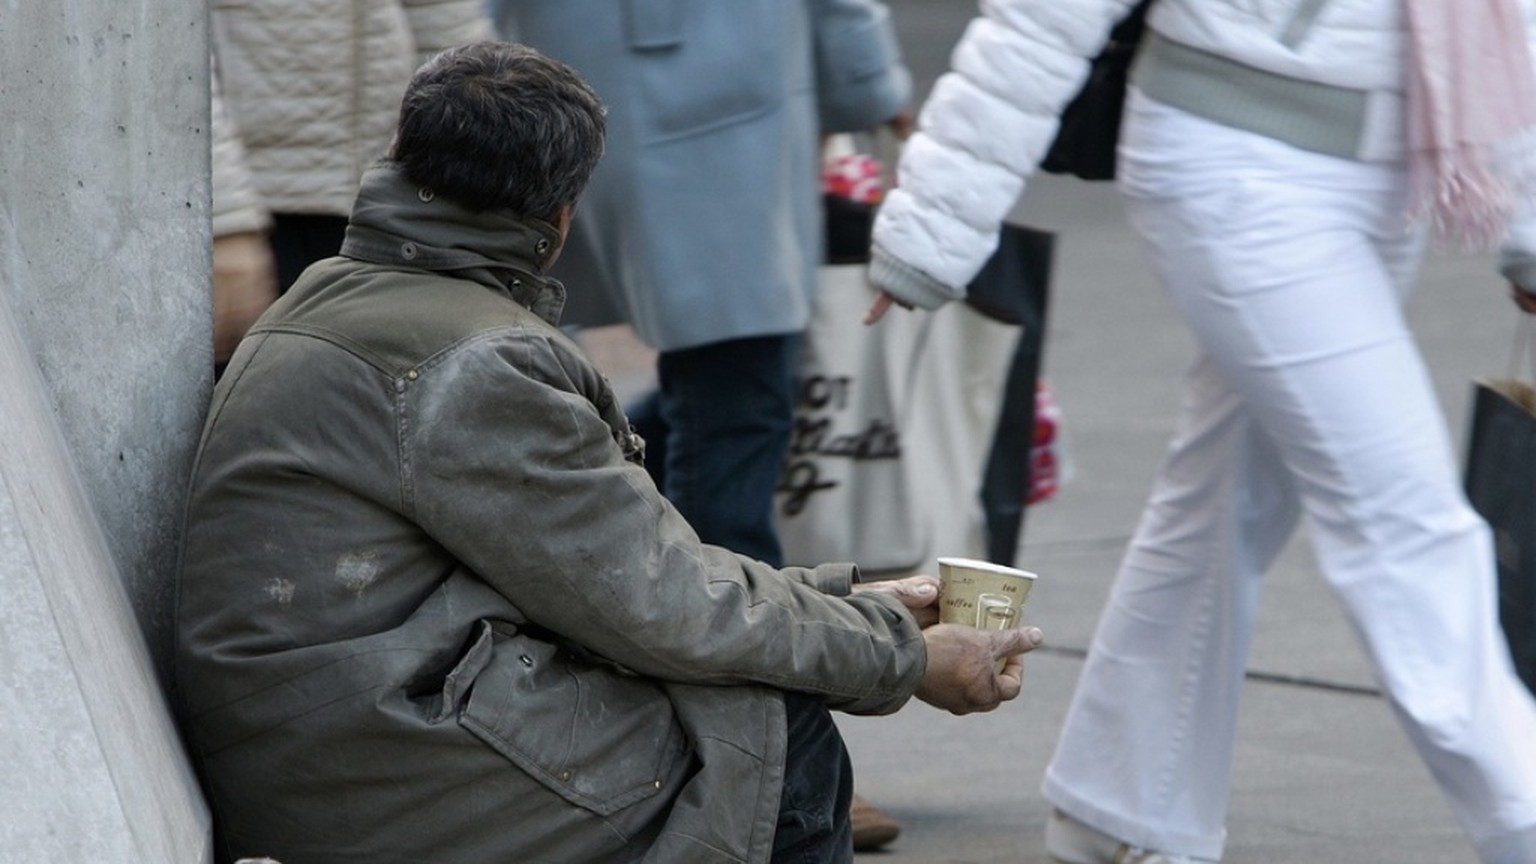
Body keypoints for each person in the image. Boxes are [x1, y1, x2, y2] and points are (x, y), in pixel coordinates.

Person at [172, 40, 1043, 864]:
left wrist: (856, 602)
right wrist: (898, 654)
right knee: (770, 746)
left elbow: (627, 576)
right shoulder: (479, 364)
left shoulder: (339, 298)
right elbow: (660, 607)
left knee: (741, 696)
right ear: (561, 215)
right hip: (374, 747)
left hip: (333, 721)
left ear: (399, 156)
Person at [865, 1, 1536, 862]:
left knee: (1225, 501)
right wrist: (933, 224)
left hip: (1391, 174)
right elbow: (1040, 19)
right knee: (1402, 519)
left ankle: (1119, 814)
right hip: (1238, 162)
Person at [484, 3, 915, 847]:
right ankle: (778, 746)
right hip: (718, 86)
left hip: (602, 76)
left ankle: (719, 720)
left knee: (715, 403)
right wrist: (869, 82)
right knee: (737, 406)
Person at [210, 0, 492, 294]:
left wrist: (477, 175)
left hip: (386, 201)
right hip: (259, 211)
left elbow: (441, 15)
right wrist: (224, 218)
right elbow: (169, 43)